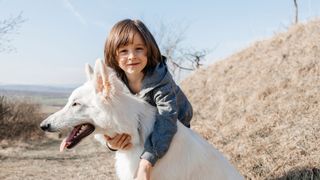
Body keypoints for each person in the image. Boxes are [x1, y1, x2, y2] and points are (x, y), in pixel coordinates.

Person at [103, 19, 193, 180]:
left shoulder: (161, 81)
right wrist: (111, 143)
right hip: (143, 127)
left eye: (139, 49)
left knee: (164, 167)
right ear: (113, 55)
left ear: (148, 51)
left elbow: (167, 121)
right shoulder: (116, 82)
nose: (131, 56)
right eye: (124, 51)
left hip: (176, 124)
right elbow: (112, 116)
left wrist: (146, 162)